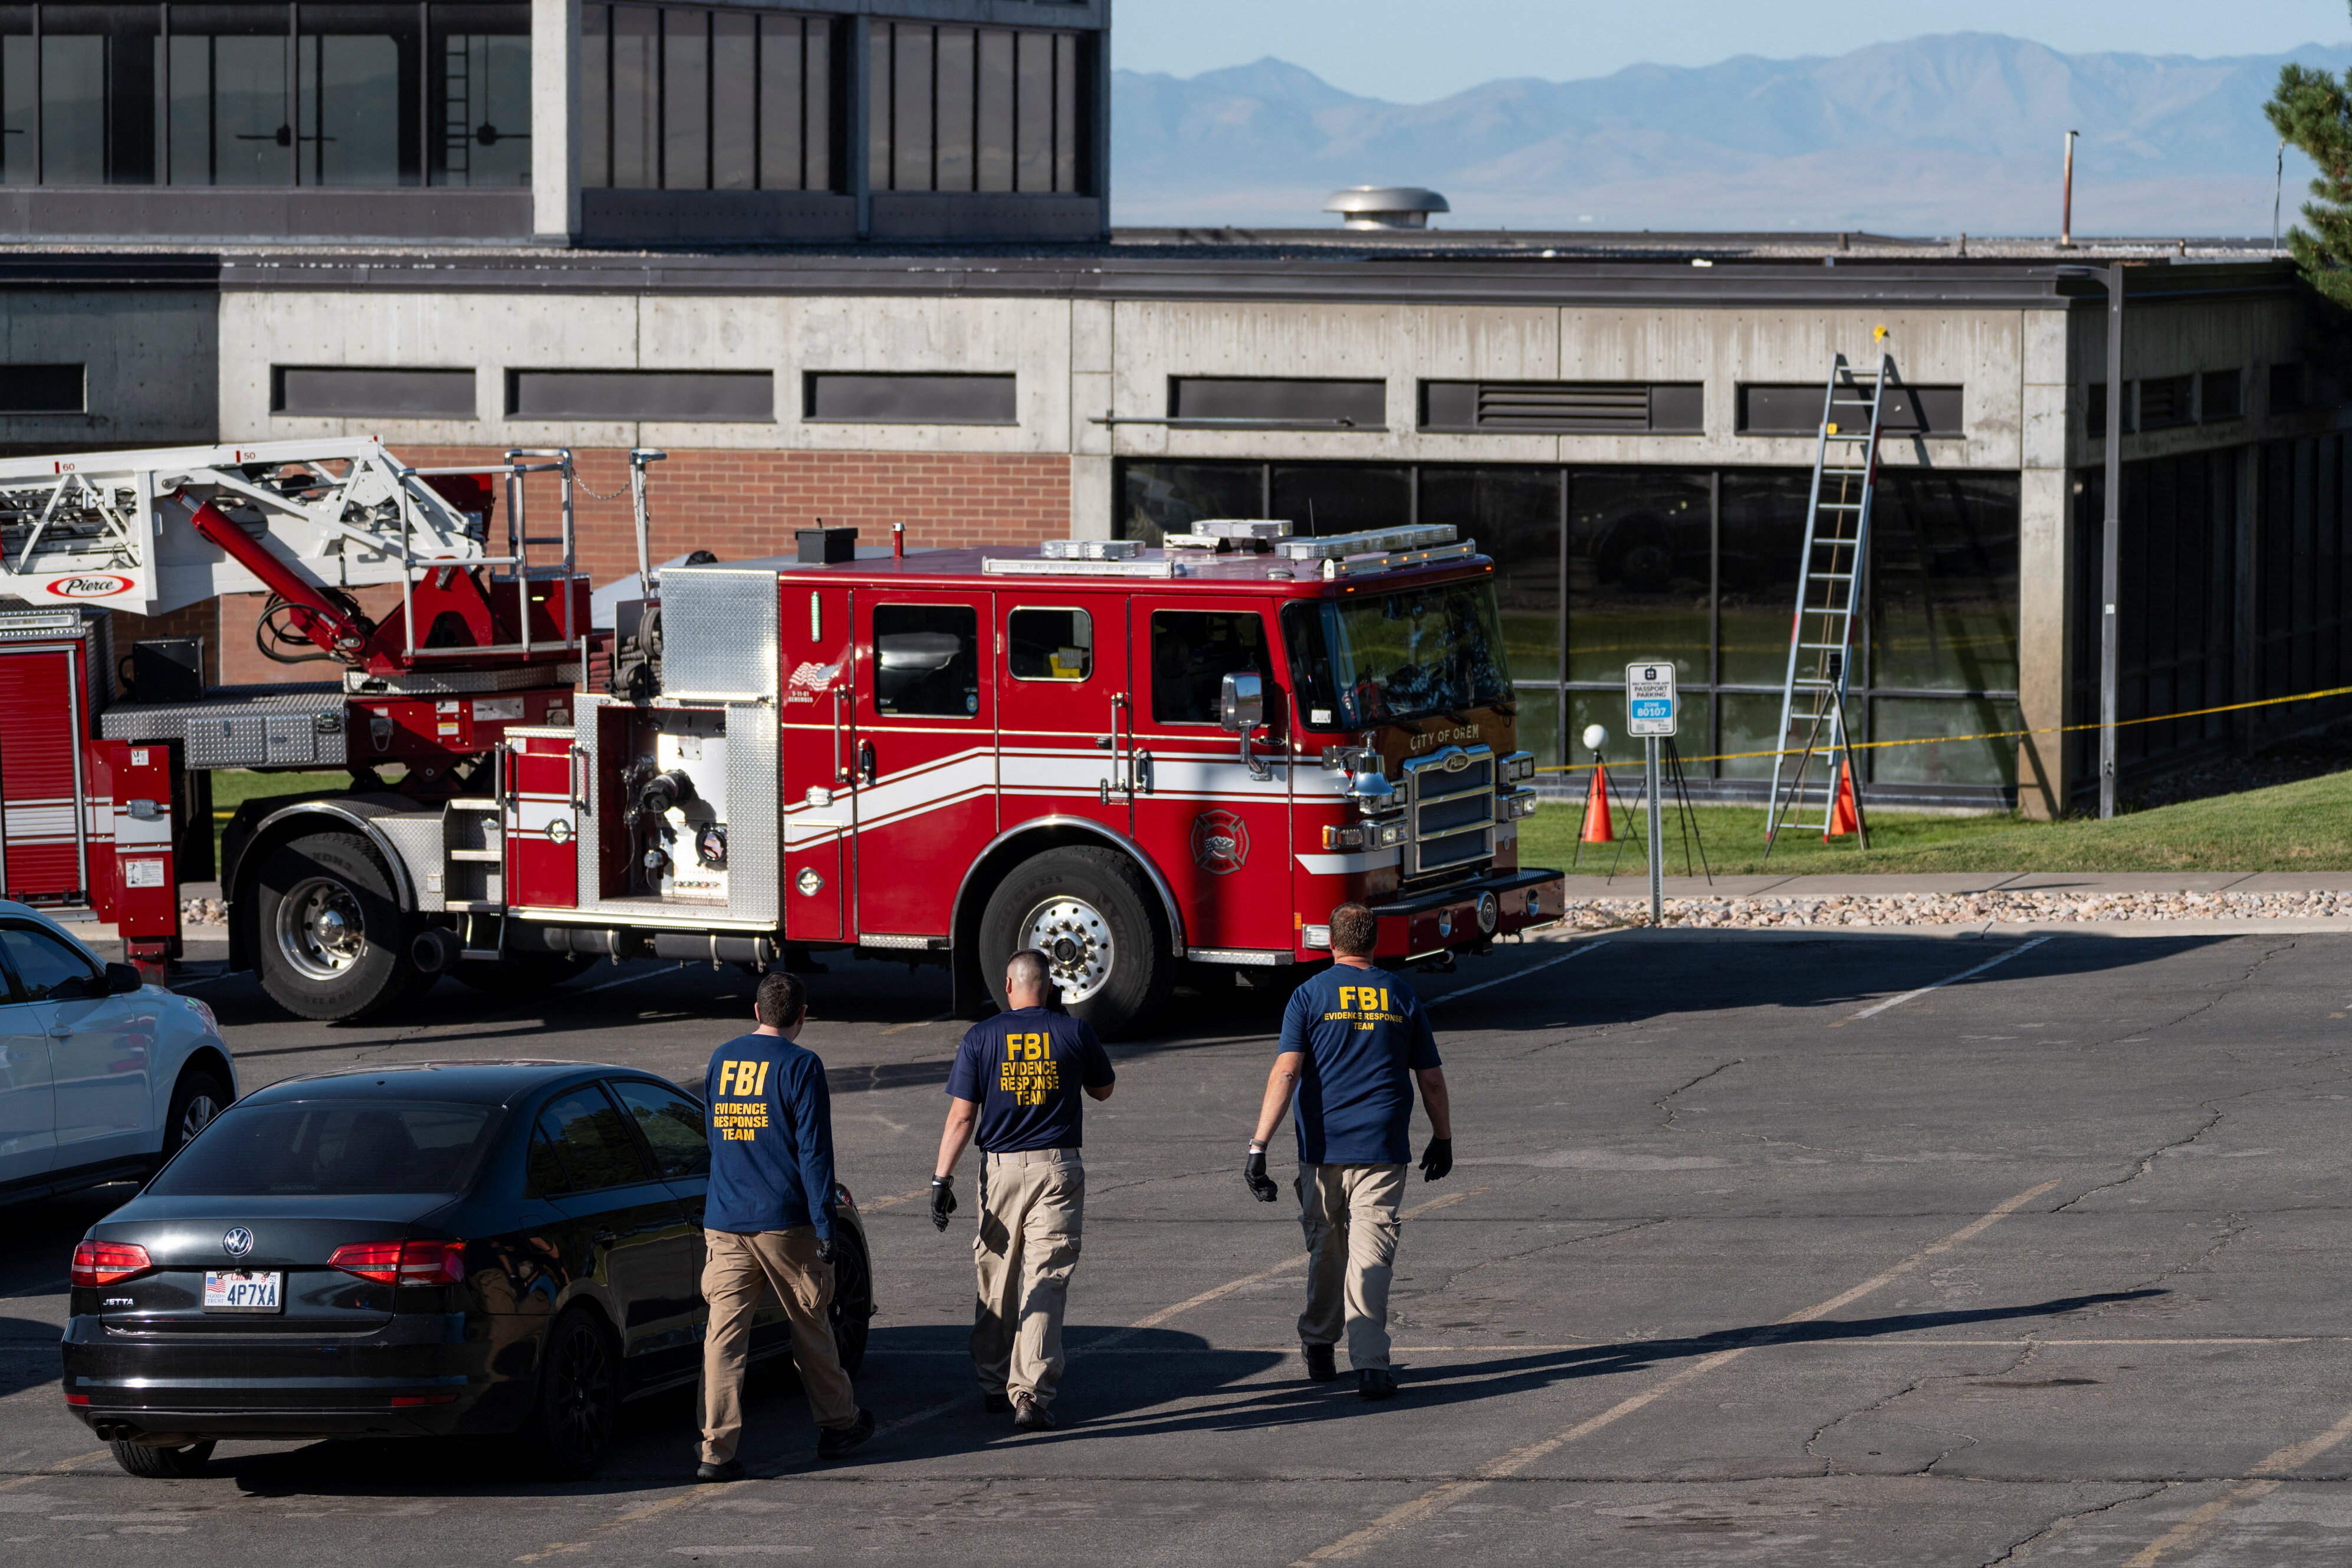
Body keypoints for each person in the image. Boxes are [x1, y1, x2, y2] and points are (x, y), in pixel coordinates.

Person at [1244, 901, 1453, 1399]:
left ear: (1331, 943)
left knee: (1327, 1249)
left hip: (1322, 1151)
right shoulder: (1400, 994)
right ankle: (1372, 1366)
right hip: (1382, 1147)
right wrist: (1443, 1137)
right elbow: (1431, 1079)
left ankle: (1319, 1342)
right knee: (1371, 1253)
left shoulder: (1308, 996)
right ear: (1374, 943)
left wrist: (1259, 1146)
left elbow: (1287, 1072)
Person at [695, 969, 875, 1481]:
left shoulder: (722, 1059)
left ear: (755, 1011)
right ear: (802, 1015)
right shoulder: (802, 1066)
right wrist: (825, 1226)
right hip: (784, 1220)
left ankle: (716, 1449)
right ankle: (839, 1423)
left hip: (726, 1219)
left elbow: (714, 1132)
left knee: (724, 1338)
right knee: (810, 1323)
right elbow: (815, 1153)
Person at [928, 950, 1116, 1431]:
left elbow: (963, 1116)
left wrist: (941, 1178)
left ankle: (993, 1382)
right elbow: (1103, 1089)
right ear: (1049, 986)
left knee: (996, 1275)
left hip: (1000, 1172)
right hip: (1057, 1168)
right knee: (1046, 1277)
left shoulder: (981, 1036)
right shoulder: (1072, 1032)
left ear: (1008, 986)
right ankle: (1030, 1392)